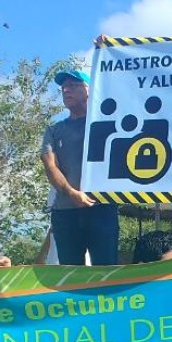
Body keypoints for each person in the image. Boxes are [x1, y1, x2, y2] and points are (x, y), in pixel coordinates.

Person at [41, 69, 120, 266]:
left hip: (102, 208)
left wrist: (105, 48)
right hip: (65, 213)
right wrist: (71, 192)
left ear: (89, 90)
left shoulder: (107, 123)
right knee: (71, 274)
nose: (66, 91)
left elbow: (122, 85)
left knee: (106, 269)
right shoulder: (54, 130)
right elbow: (50, 165)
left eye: (73, 86)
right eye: (63, 87)